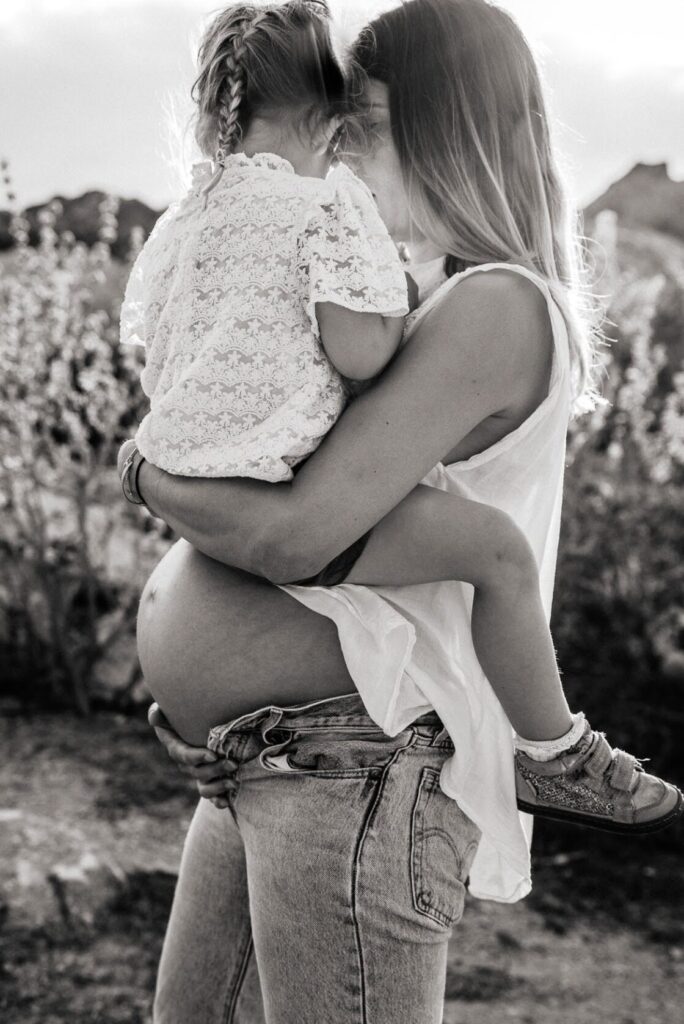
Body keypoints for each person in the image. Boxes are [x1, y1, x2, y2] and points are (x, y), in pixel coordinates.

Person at [116, 1, 682, 1019]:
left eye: (365, 125)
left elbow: (294, 532)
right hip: (277, 759)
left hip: (355, 775)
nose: (341, 153)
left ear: (448, 129)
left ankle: (564, 753)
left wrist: (145, 476)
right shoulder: (410, 292)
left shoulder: (494, 305)